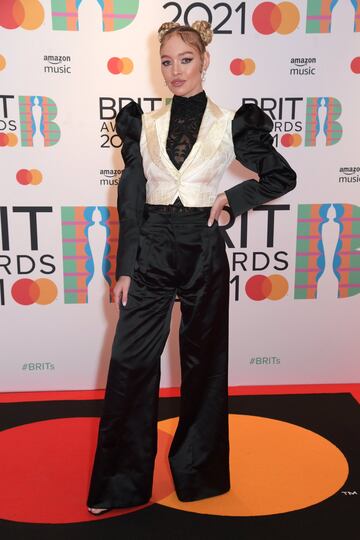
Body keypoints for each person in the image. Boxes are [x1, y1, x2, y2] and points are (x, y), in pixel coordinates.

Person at [87, 20, 296, 515]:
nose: (175, 70)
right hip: (152, 248)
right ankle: (119, 484)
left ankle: (200, 478)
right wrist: (124, 268)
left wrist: (233, 198)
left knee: (204, 367)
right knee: (131, 364)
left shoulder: (230, 122)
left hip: (203, 249)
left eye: (185, 59)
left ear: (205, 61)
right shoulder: (146, 124)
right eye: (166, 61)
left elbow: (281, 175)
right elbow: (132, 201)